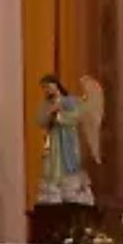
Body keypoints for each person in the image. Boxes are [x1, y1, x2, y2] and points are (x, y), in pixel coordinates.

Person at [36, 74, 93, 205]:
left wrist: (59, 116)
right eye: (44, 88)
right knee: (53, 163)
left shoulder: (69, 101)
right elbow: (40, 119)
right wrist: (50, 113)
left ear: (56, 85)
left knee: (69, 163)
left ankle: (71, 189)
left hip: (68, 138)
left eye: (48, 86)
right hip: (54, 138)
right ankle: (54, 188)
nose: (47, 90)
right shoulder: (46, 104)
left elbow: (76, 116)